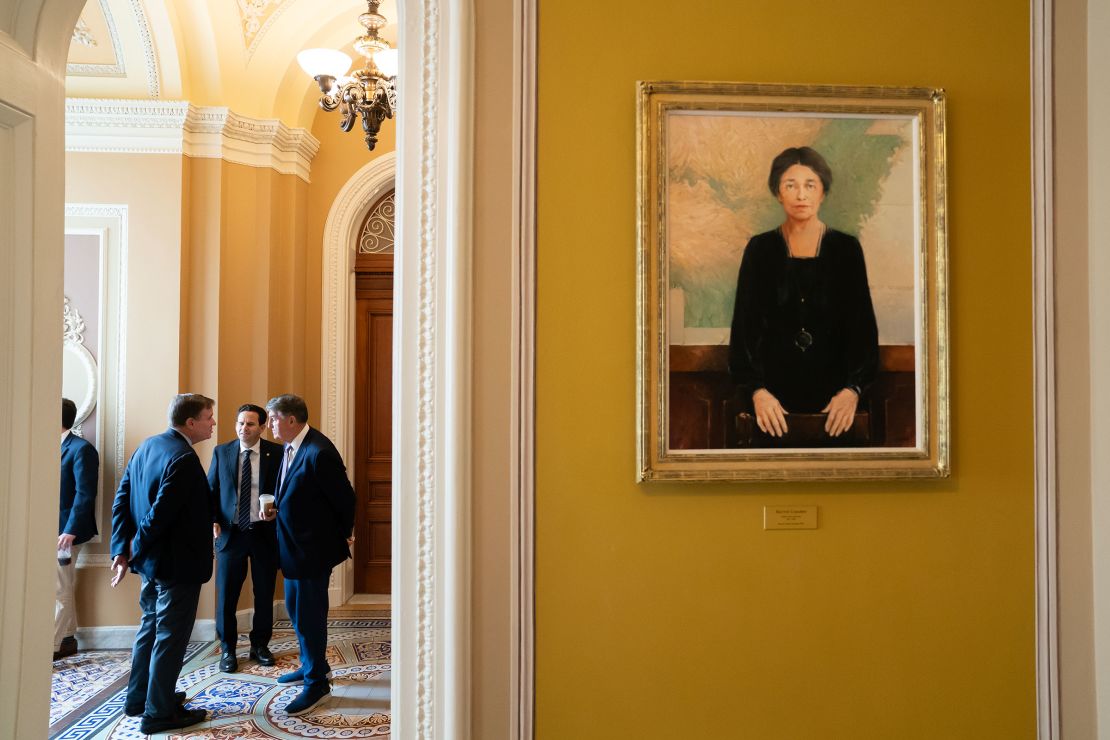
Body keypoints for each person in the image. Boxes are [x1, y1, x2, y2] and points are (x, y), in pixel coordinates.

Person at [728, 146, 879, 441]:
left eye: (810, 185)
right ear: (777, 193)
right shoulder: (760, 250)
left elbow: (863, 333)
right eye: (790, 185)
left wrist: (852, 390)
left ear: (823, 191)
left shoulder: (846, 250)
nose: (801, 195)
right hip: (771, 406)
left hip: (836, 405)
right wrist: (757, 393)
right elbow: (743, 334)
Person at [110, 393, 216, 734]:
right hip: (176, 566)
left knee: (150, 630)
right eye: (208, 417)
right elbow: (159, 516)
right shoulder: (182, 457)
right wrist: (134, 551)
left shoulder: (148, 446)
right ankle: (158, 713)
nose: (213, 422)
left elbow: (122, 499)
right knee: (169, 637)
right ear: (190, 422)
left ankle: (140, 697)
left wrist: (121, 551)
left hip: (154, 565)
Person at [265, 394, 355, 716]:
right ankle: (311, 665)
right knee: (296, 610)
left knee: (310, 616)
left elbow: (345, 498)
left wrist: (345, 532)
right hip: (292, 547)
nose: (269, 424)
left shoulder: (319, 451)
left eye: (273, 418)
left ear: (291, 420)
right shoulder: (291, 448)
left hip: (312, 550)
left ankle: (317, 683)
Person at [208, 403, 281, 672]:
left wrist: (278, 511)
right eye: (240, 423)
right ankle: (228, 649)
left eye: (250, 424)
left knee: (263, 594)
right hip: (231, 535)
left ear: (262, 427)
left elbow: (286, 491)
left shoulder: (277, 453)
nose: (243, 428)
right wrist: (213, 519)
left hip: (264, 534)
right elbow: (211, 491)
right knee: (227, 596)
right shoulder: (222, 452)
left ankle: (259, 645)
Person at [55, 398, 100, 661]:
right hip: (47, 530)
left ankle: (49, 647)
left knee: (57, 589)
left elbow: (85, 494)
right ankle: (68, 638)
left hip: (67, 533)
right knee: (63, 585)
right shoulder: (44, 447)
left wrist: (70, 530)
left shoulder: (81, 449)